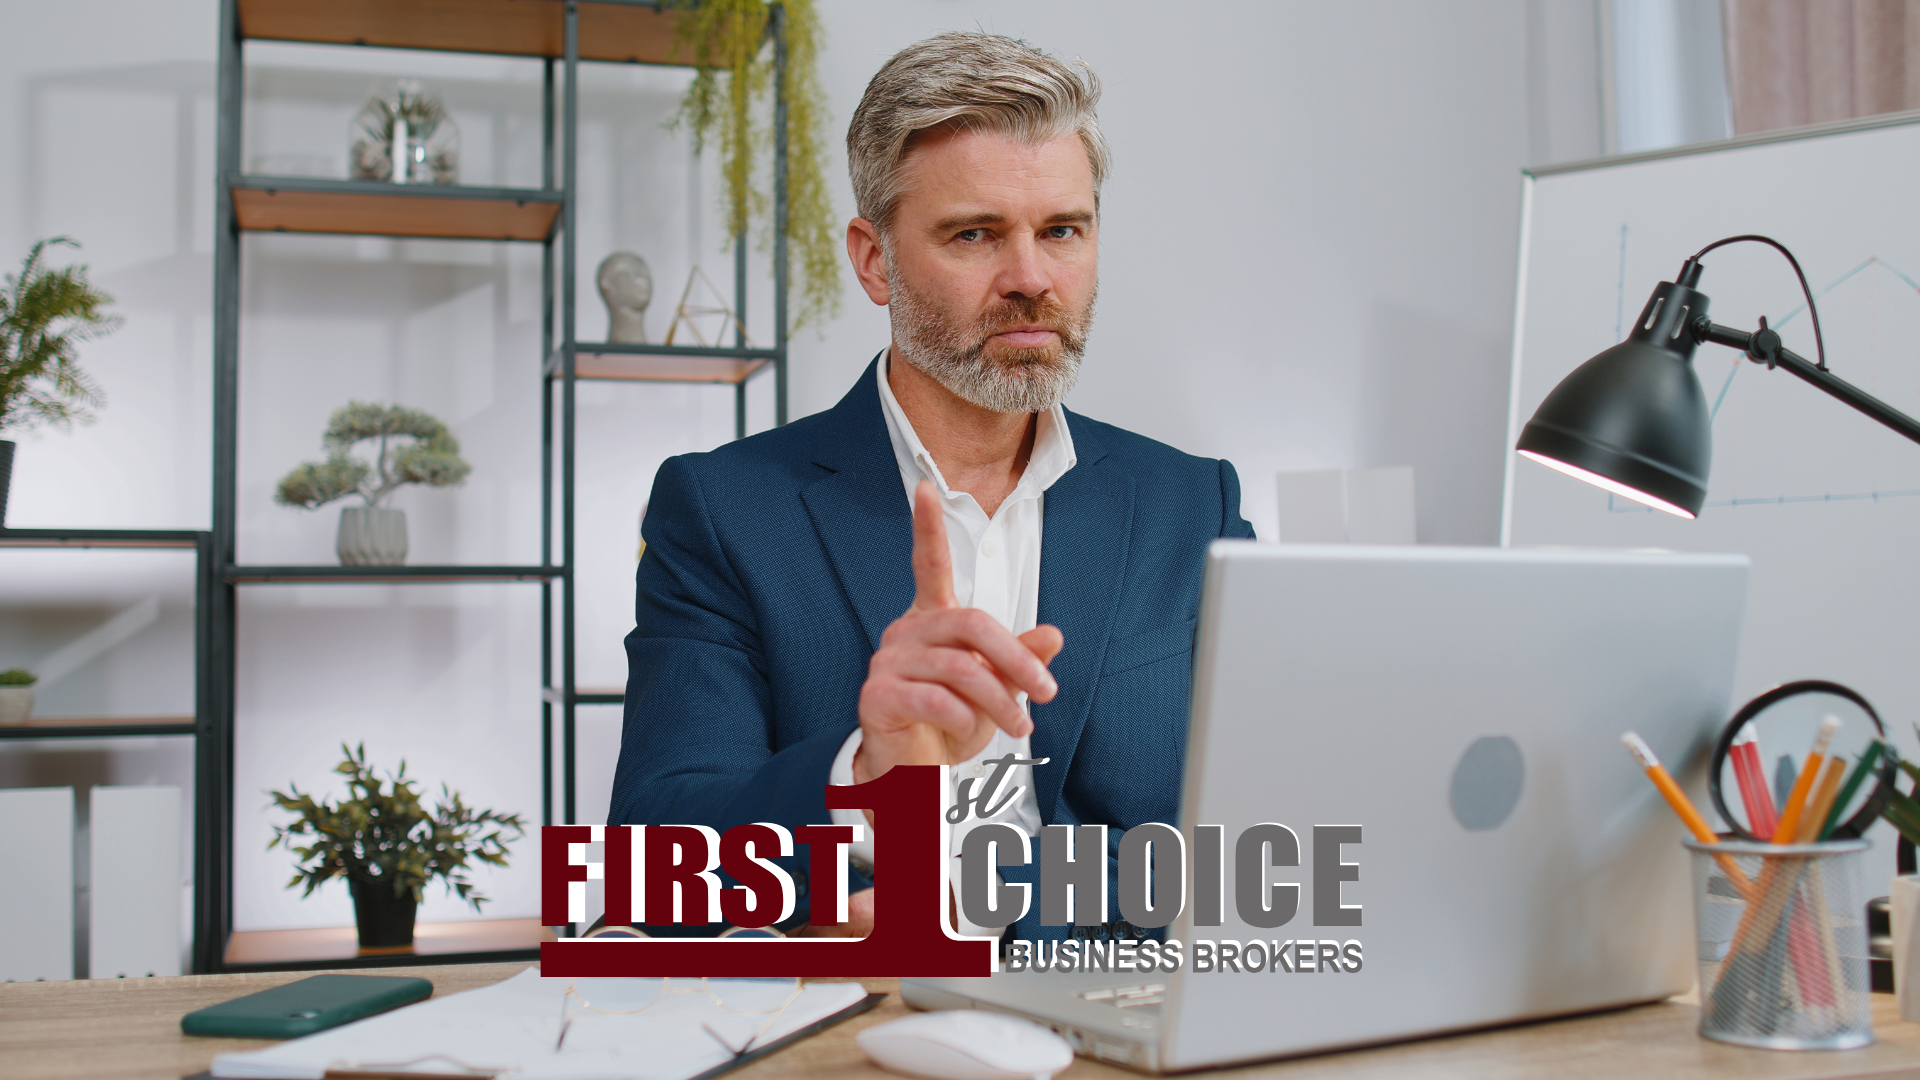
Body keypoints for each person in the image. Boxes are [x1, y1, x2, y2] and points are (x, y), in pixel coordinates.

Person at [608, 31, 1253, 944]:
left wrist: (966, 905)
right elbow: (654, 865)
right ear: (874, 260)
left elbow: (1251, 847)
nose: (1031, 279)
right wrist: (861, 778)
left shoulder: (1196, 509)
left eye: (1061, 230)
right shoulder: (722, 512)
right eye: (975, 234)